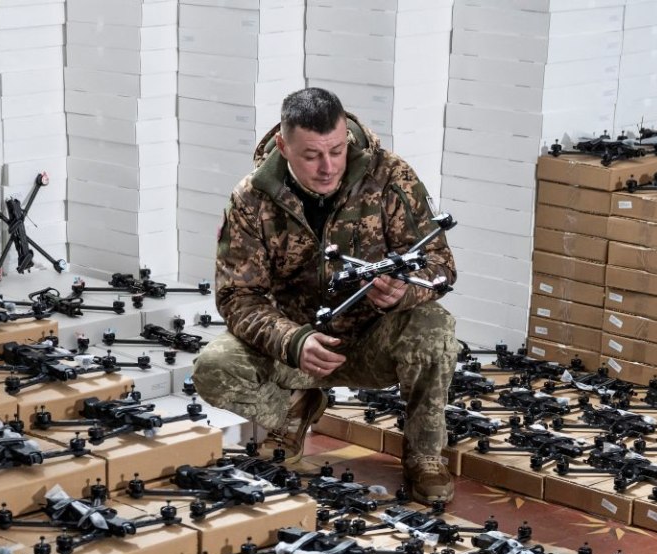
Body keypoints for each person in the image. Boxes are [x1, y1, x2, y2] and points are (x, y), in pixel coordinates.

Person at [192, 86, 460, 504]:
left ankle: (425, 456)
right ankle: (296, 407)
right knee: (213, 367)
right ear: (283, 145)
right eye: (311, 155)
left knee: (436, 328)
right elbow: (238, 296)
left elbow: (441, 265)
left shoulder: (391, 177)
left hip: (374, 340)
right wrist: (291, 340)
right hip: (298, 346)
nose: (327, 166)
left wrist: (405, 291)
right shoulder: (251, 198)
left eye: (336, 150)